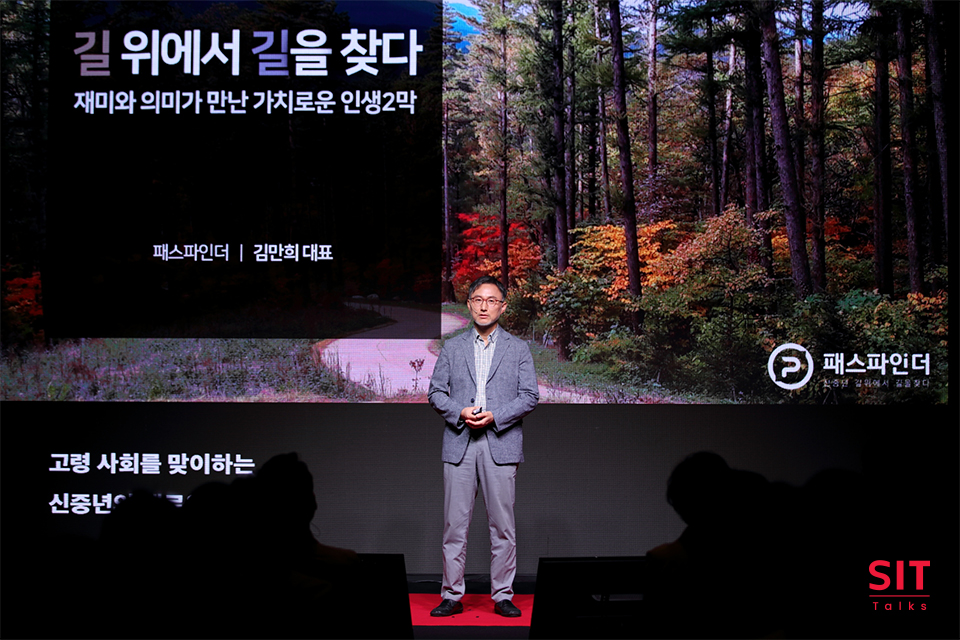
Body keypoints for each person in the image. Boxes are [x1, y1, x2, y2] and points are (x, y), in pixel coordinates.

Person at [427, 275, 539, 617]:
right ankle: (451, 594)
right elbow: (435, 393)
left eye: (491, 300)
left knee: (503, 527)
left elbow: (530, 396)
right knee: (454, 526)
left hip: (501, 444)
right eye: (478, 299)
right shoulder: (452, 347)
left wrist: (496, 416)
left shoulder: (518, 348)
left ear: (503, 307)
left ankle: (503, 595)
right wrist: (460, 412)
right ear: (469, 305)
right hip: (460, 442)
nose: (484, 306)